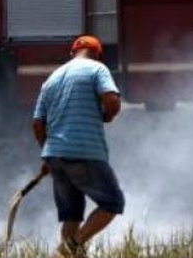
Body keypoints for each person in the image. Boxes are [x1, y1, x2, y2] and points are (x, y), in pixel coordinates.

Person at [32, 35, 125, 258]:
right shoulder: (97, 69)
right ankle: (69, 248)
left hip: (55, 155)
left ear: (73, 52)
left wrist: (47, 155)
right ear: (97, 54)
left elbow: (37, 123)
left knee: (71, 216)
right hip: (84, 152)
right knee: (112, 203)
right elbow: (111, 101)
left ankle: (71, 250)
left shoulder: (51, 79)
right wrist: (108, 115)